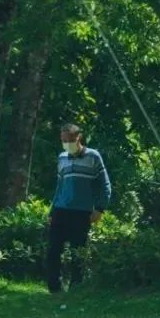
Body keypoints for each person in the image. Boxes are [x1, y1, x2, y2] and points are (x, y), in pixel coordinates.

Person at [46, 122, 112, 294]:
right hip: (61, 210)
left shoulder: (93, 156)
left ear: (78, 138)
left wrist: (100, 208)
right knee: (53, 249)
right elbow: (59, 186)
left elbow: (104, 185)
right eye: (63, 140)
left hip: (81, 211)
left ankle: (77, 286)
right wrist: (52, 211)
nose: (66, 143)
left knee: (78, 251)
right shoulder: (62, 158)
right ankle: (54, 287)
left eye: (69, 139)